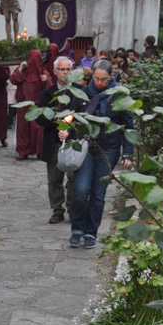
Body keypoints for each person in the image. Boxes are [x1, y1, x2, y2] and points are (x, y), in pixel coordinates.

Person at [60, 60, 135, 249]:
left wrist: (128, 153)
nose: (100, 82)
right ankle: (77, 229)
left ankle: (90, 233)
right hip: (86, 145)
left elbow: (128, 125)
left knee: (98, 194)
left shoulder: (119, 95)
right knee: (81, 190)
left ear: (111, 77)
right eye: (97, 78)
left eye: (104, 79)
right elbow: (71, 115)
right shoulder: (84, 93)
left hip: (108, 148)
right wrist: (64, 129)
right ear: (92, 75)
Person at [35, 56, 80, 224]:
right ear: (55, 71)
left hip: (73, 140)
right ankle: (57, 208)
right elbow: (40, 118)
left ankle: (72, 208)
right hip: (54, 140)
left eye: (68, 69)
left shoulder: (78, 91)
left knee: (74, 177)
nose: (66, 72)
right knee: (54, 178)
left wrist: (67, 124)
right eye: (62, 69)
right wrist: (58, 122)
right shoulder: (47, 94)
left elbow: (80, 114)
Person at [9, 50, 48, 160]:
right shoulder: (23, 71)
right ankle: (23, 151)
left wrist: (45, 81)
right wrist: (20, 69)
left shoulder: (42, 72)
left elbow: (48, 87)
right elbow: (13, 80)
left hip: (36, 105)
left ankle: (39, 151)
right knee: (23, 129)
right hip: (23, 104)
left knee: (37, 129)